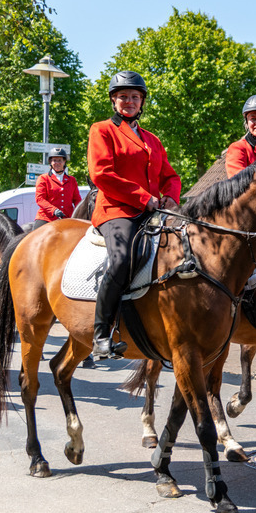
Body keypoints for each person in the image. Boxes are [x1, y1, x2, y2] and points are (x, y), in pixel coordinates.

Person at [87, 71, 181, 358]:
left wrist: (169, 196)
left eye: (135, 97)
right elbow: (102, 174)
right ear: (114, 100)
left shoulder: (152, 139)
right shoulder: (101, 130)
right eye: (123, 97)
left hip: (153, 210)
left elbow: (170, 175)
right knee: (123, 258)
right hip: (117, 210)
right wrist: (144, 198)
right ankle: (101, 332)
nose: (129, 101)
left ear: (142, 103)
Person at [32, 147, 82, 230]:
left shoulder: (72, 180)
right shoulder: (43, 178)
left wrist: (80, 213)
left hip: (67, 219)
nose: (57, 163)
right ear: (50, 162)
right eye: (54, 160)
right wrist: (54, 210)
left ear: (64, 161)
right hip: (46, 218)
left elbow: (77, 200)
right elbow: (40, 199)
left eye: (60, 160)